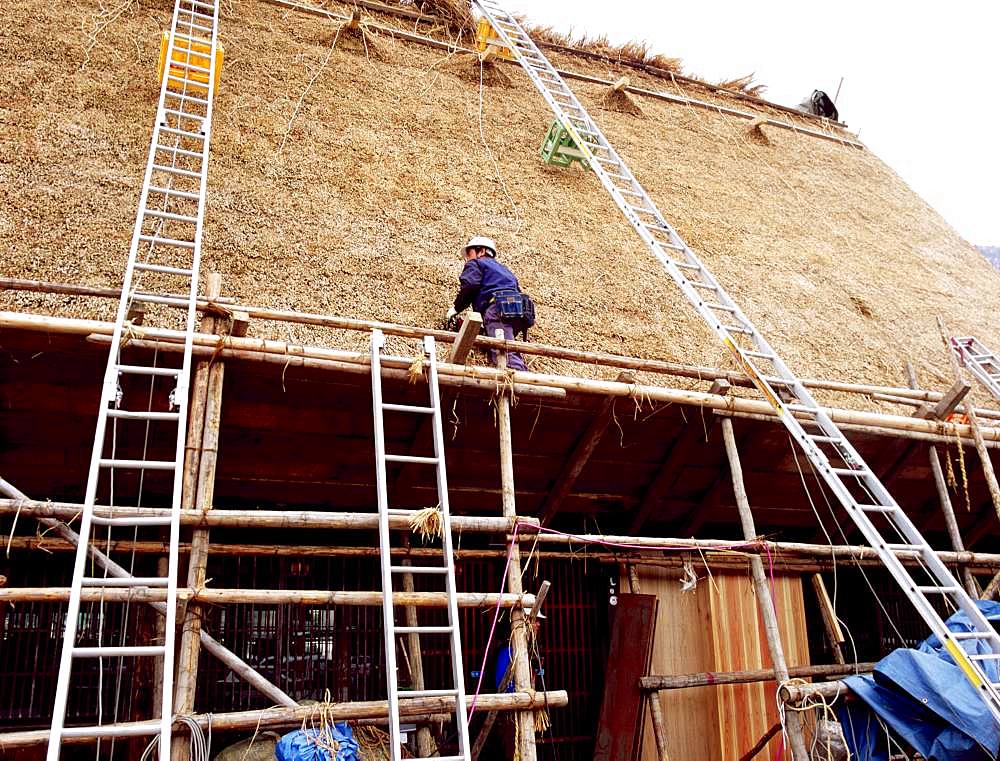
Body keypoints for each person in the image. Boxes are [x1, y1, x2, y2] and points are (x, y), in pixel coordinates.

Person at [445, 236, 532, 372]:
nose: (468, 258)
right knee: (505, 341)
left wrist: (456, 308)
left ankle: (514, 383)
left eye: (469, 253)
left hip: (498, 308)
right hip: (519, 310)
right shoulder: (505, 270)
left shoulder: (477, 264)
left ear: (482, 251)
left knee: (504, 350)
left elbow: (470, 285)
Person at [494, 610, 545, 759]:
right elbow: (502, 686)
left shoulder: (528, 652)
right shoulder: (508, 652)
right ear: (525, 623)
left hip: (525, 714)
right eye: (535, 620)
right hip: (512, 716)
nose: (538, 625)